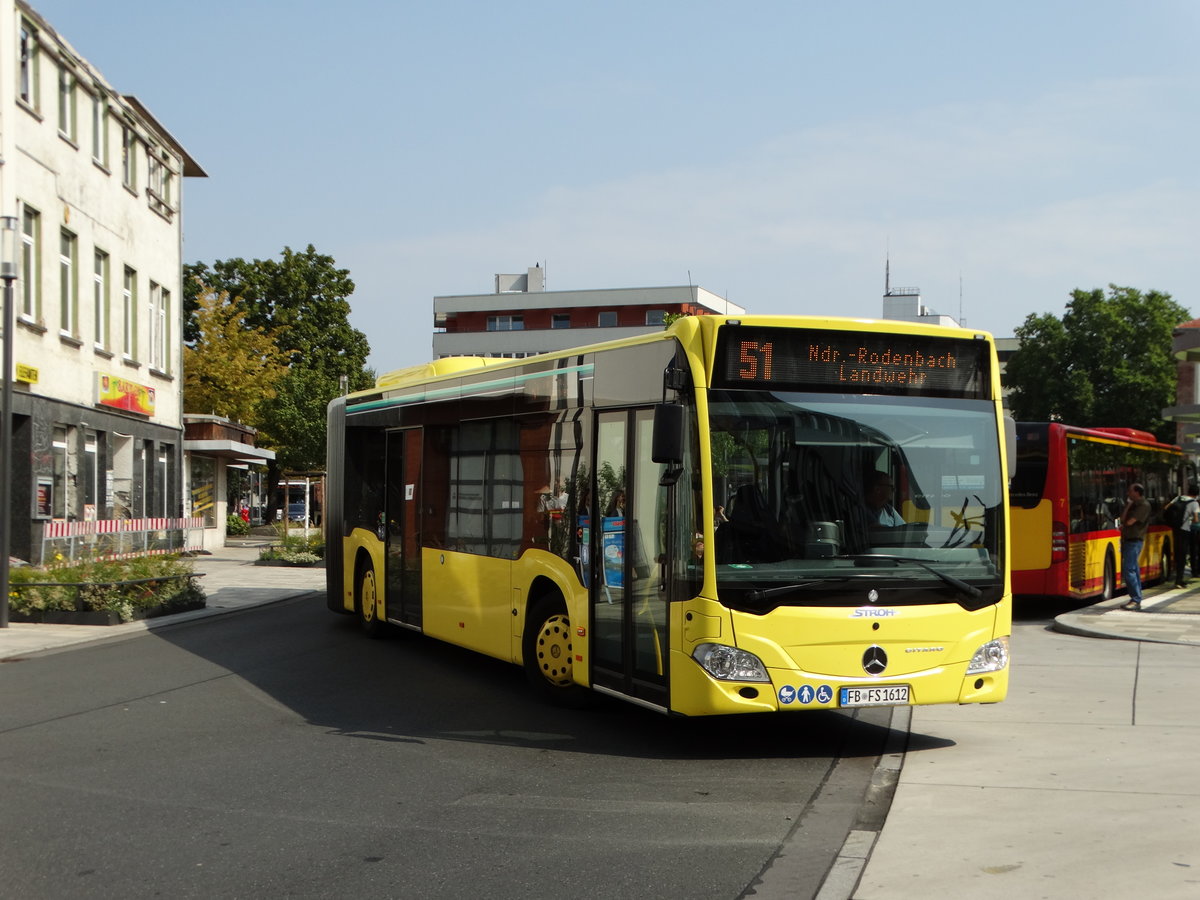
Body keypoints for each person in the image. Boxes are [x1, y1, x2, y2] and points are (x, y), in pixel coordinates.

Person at [1119, 482, 1151, 610]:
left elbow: (1130, 522)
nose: (1128, 493)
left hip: (1135, 540)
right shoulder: (1133, 505)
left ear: (1137, 492)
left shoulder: (1144, 505)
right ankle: (1136, 597)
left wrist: (1125, 524)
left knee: (1129, 570)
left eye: (1130, 491)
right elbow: (1123, 519)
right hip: (1128, 540)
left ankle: (1135, 599)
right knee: (1133, 569)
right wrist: (1128, 505)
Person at [1169, 483, 1199, 588]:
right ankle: (1179, 581)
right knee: (1182, 556)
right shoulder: (1194, 503)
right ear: (1197, 494)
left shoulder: (1178, 498)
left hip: (1175, 529)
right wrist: (1190, 520)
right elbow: (1196, 519)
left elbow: (1166, 508)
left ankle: (1178, 579)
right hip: (1184, 530)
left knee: (1177, 554)